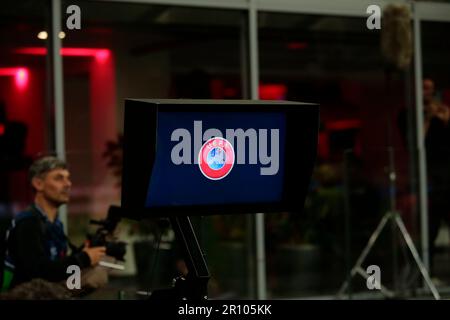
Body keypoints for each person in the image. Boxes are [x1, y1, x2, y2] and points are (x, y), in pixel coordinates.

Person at [1, 156, 106, 291]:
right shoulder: (28, 223)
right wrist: (83, 258)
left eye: (68, 178)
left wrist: (83, 253)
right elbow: (39, 272)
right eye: (59, 178)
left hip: (46, 292)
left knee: (99, 273)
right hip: (26, 295)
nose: (68, 184)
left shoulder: (53, 223)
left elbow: (56, 265)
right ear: (38, 184)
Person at [422, 78, 450, 275]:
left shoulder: (442, 111)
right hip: (429, 180)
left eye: (431, 89)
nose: (428, 93)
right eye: (424, 88)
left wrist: (446, 118)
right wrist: (428, 119)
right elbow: (415, 142)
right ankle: (425, 274)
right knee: (429, 229)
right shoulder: (412, 113)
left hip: (447, 179)